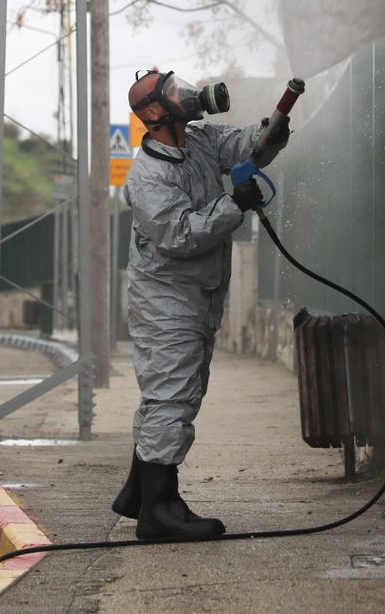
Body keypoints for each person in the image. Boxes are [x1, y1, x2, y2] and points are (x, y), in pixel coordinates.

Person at [111, 69, 289, 541]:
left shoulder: (200, 139)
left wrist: (273, 129)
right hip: (165, 300)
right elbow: (179, 235)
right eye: (171, 92)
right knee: (173, 395)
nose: (184, 93)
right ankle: (160, 512)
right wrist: (236, 204)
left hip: (196, 294)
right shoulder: (149, 175)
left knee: (172, 391)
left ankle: (138, 493)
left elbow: (245, 147)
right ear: (153, 113)